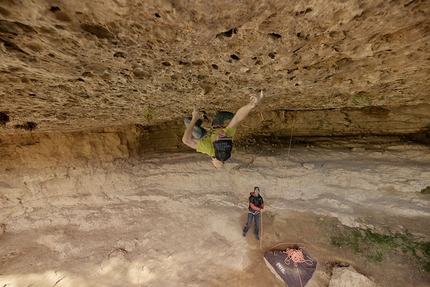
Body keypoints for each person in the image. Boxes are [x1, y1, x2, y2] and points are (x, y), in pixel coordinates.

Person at [182, 91, 264, 168]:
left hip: (204, 136)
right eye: (226, 136)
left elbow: (186, 140)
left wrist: (194, 119)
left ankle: (205, 119)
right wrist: (251, 105)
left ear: (214, 142)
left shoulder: (208, 148)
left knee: (188, 122)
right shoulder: (228, 136)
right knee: (218, 115)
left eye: (220, 136)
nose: (223, 133)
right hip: (216, 127)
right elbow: (237, 118)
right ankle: (227, 115)